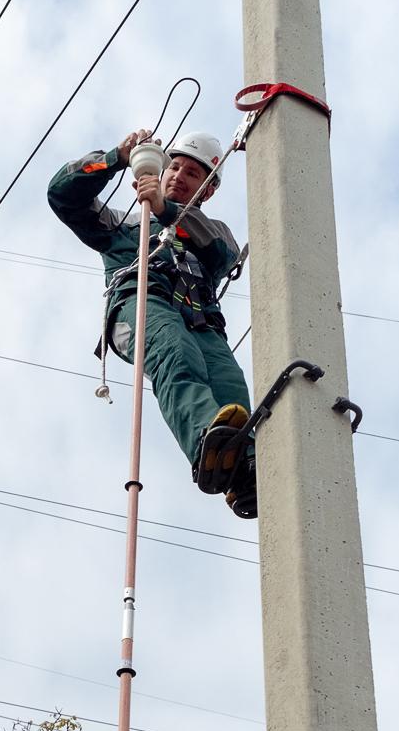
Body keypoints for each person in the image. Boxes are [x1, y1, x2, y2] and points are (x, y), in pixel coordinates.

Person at [47, 129, 255, 516]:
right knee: (175, 355)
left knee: (231, 387)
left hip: (202, 322)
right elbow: (62, 195)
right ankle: (204, 441)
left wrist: (164, 210)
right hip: (142, 305)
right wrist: (117, 157)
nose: (178, 175)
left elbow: (222, 255)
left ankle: (246, 472)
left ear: (208, 190)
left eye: (193, 173)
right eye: (173, 166)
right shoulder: (123, 224)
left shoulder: (212, 229)